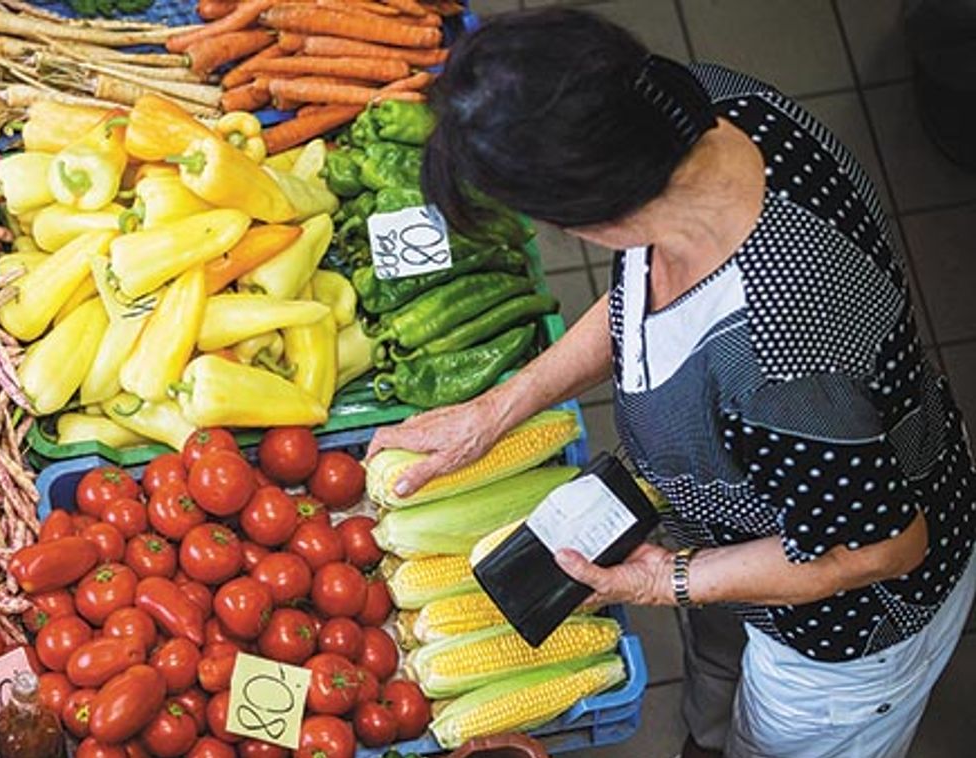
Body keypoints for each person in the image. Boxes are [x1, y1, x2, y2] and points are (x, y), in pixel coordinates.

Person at [366, 9, 976, 758]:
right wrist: (496, 409)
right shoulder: (698, 115)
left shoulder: (784, 353)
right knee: (715, 701)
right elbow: (638, 293)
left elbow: (881, 545)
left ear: (598, 217)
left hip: (839, 620)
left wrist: (667, 583)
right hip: (732, 532)